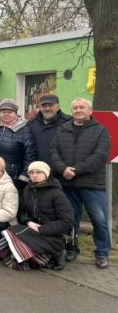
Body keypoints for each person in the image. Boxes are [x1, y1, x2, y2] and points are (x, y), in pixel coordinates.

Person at [50, 98, 112, 269]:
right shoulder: (63, 129)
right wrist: (63, 169)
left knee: (99, 220)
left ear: (90, 111)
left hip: (92, 184)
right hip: (67, 183)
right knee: (71, 220)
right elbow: (53, 152)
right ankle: (72, 249)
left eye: (82, 107)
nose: (78, 110)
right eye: (75, 108)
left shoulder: (100, 130)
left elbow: (100, 156)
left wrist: (75, 170)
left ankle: (102, 253)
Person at [0, 161, 73, 271]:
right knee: (12, 231)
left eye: (38, 172)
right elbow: (21, 212)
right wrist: (29, 222)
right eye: (31, 173)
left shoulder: (57, 194)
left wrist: (42, 229)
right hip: (32, 230)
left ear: (46, 174)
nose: (35, 175)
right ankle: (39, 256)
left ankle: (56, 252)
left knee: (16, 236)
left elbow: (67, 221)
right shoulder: (27, 190)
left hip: (53, 235)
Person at [0, 99, 36, 190]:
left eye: (10, 112)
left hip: (13, 176)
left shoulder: (24, 129)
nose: (6, 114)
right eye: (3, 112)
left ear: (15, 113)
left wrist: (24, 176)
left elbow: (30, 155)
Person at [27, 94, 71, 167]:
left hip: (60, 169)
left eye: (51, 105)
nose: (47, 108)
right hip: (38, 170)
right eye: (44, 106)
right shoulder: (31, 124)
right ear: (40, 107)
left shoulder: (69, 122)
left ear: (58, 107)